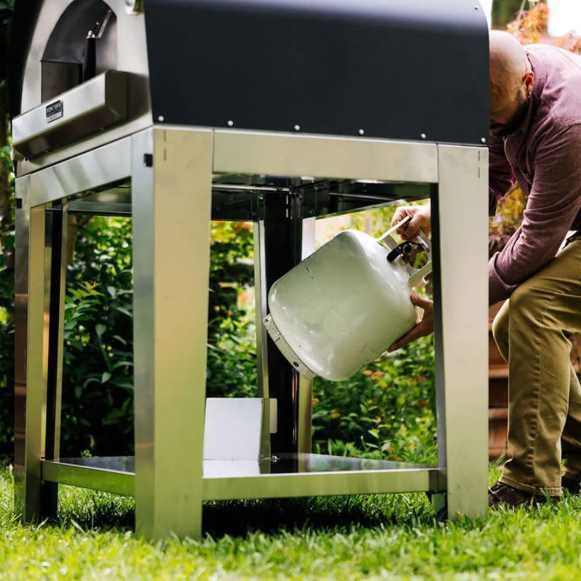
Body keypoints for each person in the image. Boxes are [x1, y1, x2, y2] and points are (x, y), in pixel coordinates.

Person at [390, 31, 581, 508]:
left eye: (493, 115)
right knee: (509, 322)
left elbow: (536, 244)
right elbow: (490, 178)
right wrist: (431, 213)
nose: (488, 125)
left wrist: (455, 303)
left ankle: (529, 483)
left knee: (534, 308)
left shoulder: (566, 124)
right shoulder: (501, 94)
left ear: (528, 83)